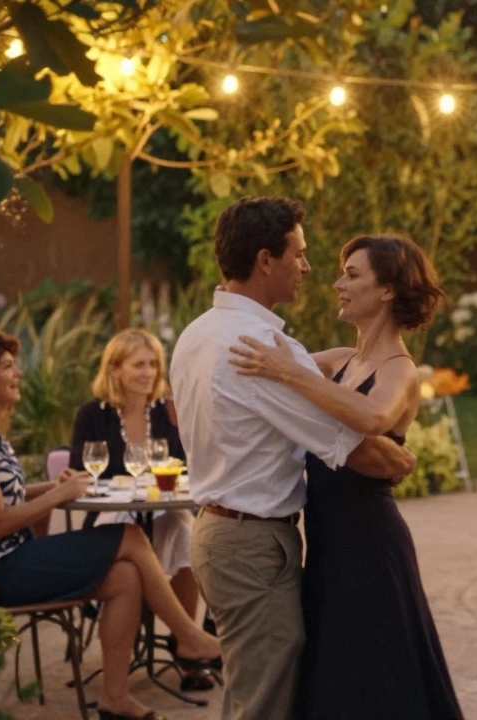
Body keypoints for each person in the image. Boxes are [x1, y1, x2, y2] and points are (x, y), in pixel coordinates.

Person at [170, 197, 414, 720]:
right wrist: (398, 461)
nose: (308, 268)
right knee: (264, 700)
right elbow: (351, 448)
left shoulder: (198, 334)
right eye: (299, 255)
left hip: (220, 533)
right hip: (251, 544)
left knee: (252, 686)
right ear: (265, 261)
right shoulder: (260, 348)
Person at [229, 234, 464, 719]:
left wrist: (290, 374)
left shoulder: (400, 371)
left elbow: (374, 418)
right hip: (327, 547)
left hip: (372, 550)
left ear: (388, 291)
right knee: (335, 681)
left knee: (374, 681)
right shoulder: (337, 361)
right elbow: (259, 382)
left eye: (352, 274)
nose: (337, 283)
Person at [0, 331, 220, 720]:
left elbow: (1, 499)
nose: (18, 372)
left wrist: (55, 486)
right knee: (131, 536)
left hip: (7, 559)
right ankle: (189, 639)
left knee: (126, 577)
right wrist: (55, 496)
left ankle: (114, 698)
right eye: (6, 367)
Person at [69, 328, 213, 691]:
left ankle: (188, 648)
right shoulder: (92, 416)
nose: (148, 372)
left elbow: (183, 464)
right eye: (138, 365)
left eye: (153, 364)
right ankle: (174, 640)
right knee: (141, 534)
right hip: (110, 512)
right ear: (115, 369)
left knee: (183, 527)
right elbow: (79, 472)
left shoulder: (166, 413)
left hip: (162, 508)